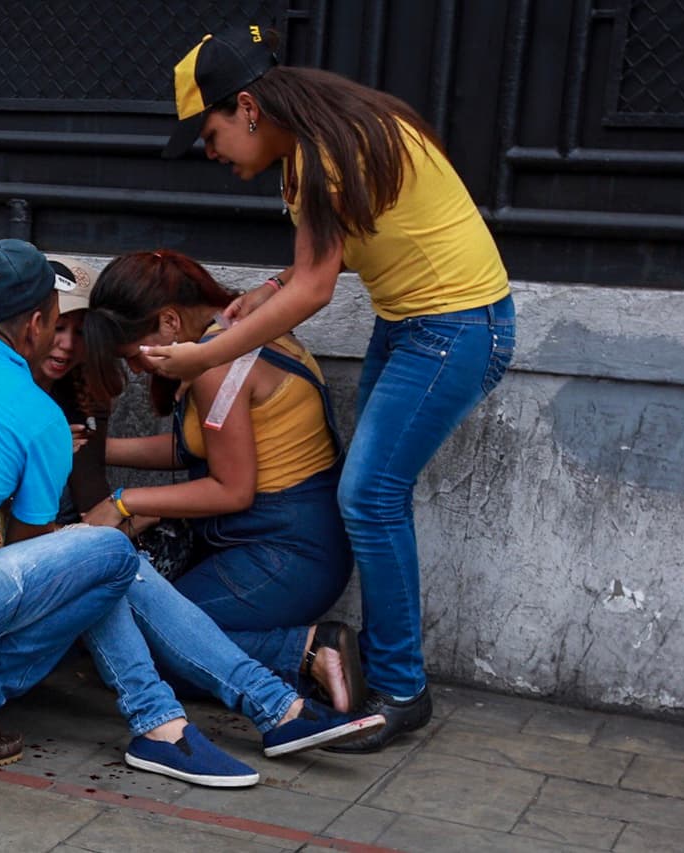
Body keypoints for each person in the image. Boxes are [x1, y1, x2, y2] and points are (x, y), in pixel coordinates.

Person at [0, 239, 381, 786]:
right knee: (109, 557)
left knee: (101, 562)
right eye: (59, 321)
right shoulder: (33, 413)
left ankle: (200, 722)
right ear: (37, 323)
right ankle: (229, 714)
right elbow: (35, 557)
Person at [150, 24, 517, 752]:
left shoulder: (326, 151)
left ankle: (401, 689)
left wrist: (201, 357)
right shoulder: (321, 140)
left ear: (248, 107)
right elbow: (325, 259)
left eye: (212, 132)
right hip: (417, 324)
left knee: (369, 496)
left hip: (454, 328)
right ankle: (386, 674)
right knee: (371, 493)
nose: (213, 152)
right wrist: (267, 289)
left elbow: (317, 289)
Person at [80, 249, 367, 714]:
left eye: (133, 355)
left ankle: (310, 651)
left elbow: (232, 489)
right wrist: (97, 451)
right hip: (288, 543)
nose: (135, 370)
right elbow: (199, 447)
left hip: (286, 553)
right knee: (138, 632)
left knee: (144, 645)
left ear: (170, 322)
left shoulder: (217, 366)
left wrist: (124, 502)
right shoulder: (239, 329)